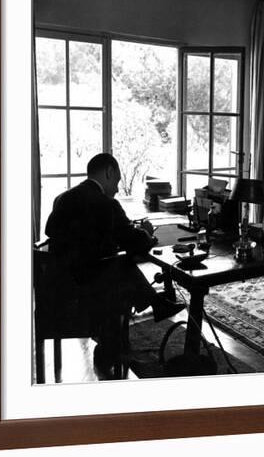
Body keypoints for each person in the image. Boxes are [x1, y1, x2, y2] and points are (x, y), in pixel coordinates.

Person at [45, 153, 185, 371]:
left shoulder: (62, 198)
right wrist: (148, 234)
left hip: (57, 291)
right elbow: (136, 243)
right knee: (123, 265)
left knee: (118, 264)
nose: (118, 188)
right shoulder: (105, 204)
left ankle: (122, 337)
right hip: (89, 293)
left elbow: (60, 236)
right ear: (109, 173)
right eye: (117, 181)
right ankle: (128, 334)